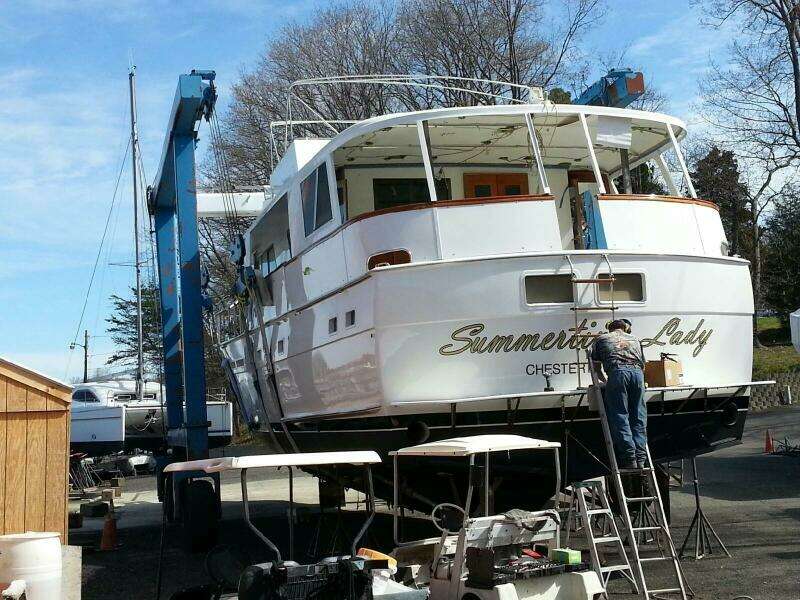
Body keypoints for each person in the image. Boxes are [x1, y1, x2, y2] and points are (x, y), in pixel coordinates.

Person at [590, 319, 648, 470]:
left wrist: (606, 381)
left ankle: (630, 458)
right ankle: (641, 459)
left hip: (618, 373)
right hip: (637, 374)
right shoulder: (635, 339)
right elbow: (643, 365)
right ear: (625, 328)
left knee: (620, 415)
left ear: (610, 329)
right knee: (638, 415)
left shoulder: (601, 339)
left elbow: (595, 368)